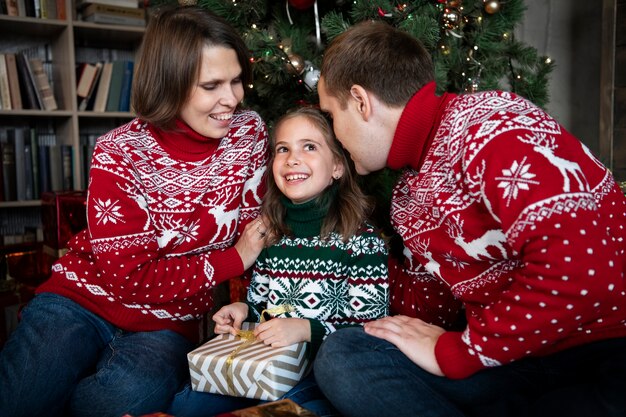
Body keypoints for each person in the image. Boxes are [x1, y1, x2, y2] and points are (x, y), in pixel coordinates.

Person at [313, 20, 626, 417]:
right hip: (509, 363)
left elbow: (582, 272)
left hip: (596, 349)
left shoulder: (493, 127)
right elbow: (426, 313)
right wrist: (335, 265)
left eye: (331, 116)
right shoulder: (409, 195)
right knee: (345, 354)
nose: (335, 137)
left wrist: (460, 353)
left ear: (360, 102)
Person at [0, 6, 269, 417]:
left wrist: (249, 297)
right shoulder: (118, 151)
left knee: (121, 400)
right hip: (81, 298)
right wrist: (233, 259)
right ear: (170, 84)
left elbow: (260, 231)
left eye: (235, 81)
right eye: (211, 85)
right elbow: (128, 279)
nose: (231, 99)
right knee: (20, 398)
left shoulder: (249, 135)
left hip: (168, 319)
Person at [168, 106, 390, 417]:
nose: (292, 159)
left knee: (291, 409)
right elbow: (263, 306)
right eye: (283, 149)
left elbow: (369, 330)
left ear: (337, 165)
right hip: (265, 365)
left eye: (309, 147)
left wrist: (306, 329)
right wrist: (243, 310)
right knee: (186, 405)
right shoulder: (271, 234)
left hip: (320, 374)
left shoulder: (361, 241)